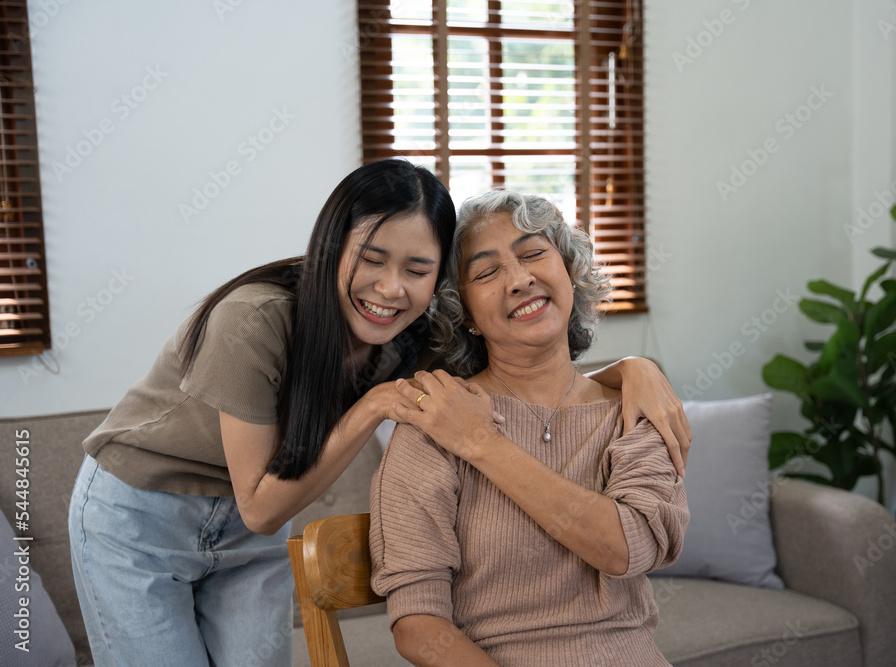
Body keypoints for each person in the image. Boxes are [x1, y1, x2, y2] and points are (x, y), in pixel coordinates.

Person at [68, 160, 689, 667]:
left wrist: (634, 367)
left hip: (243, 527)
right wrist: (371, 407)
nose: (391, 289)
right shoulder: (254, 320)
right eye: (372, 259)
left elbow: (531, 363)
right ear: (334, 246)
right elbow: (262, 506)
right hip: (142, 512)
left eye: (417, 269)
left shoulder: (409, 336)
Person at [370, 190, 691, 666]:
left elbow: (628, 547)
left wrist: (481, 444)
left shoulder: (636, 408)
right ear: (466, 314)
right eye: (486, 272)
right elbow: (418, 626)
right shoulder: (432, 425)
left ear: (570, 272)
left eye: (533, 254)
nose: (519, 279)